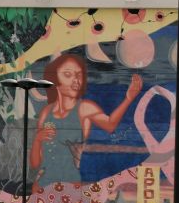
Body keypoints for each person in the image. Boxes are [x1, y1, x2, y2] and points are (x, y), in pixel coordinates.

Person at [32, 54, 143, 184]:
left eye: (79, 75)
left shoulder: (84, 108)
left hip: (69, 188)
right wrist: (37, 140)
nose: (76, 80)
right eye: (68, 74)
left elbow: (110, 124)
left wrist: (128, 99)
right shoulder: (46, 112)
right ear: (55, 78)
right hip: (42, 187)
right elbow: (35, 163)